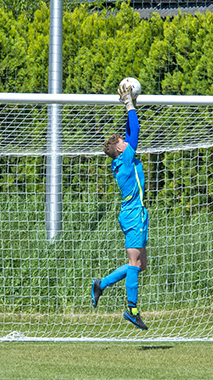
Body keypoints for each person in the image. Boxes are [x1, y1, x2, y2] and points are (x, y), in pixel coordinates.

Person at [90, 80, 149, 330]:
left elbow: (128, 133)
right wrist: (128, 105)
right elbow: (134, 132)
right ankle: (132, 310)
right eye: (123, 143)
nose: (127, 142)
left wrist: (131, 105)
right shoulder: (125, 159)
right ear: (119, 149)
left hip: (135, 213)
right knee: (135, 265)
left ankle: (101, 284)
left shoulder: (122, 159)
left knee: (140, 265)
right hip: (133, 214)